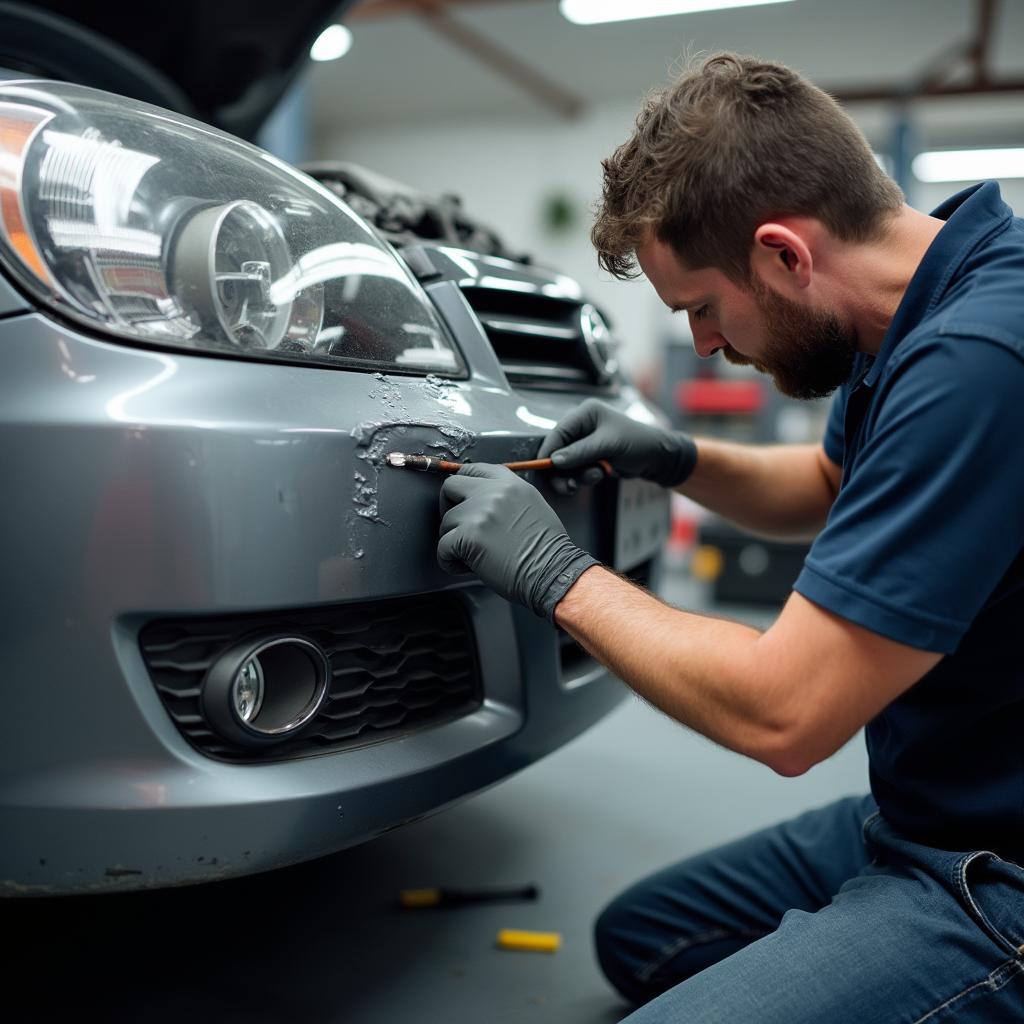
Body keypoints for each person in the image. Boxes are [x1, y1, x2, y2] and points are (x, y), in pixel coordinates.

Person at [435, 52, 1024, 1022]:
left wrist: (553, 572)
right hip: (927, 804)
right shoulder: (922, 307)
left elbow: (783, 713)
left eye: (702, 308)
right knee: (643, 937)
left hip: (996, 872)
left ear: (784, 253)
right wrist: (673, 456)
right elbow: (826, 484)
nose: (706, 343)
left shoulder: (979, 361)